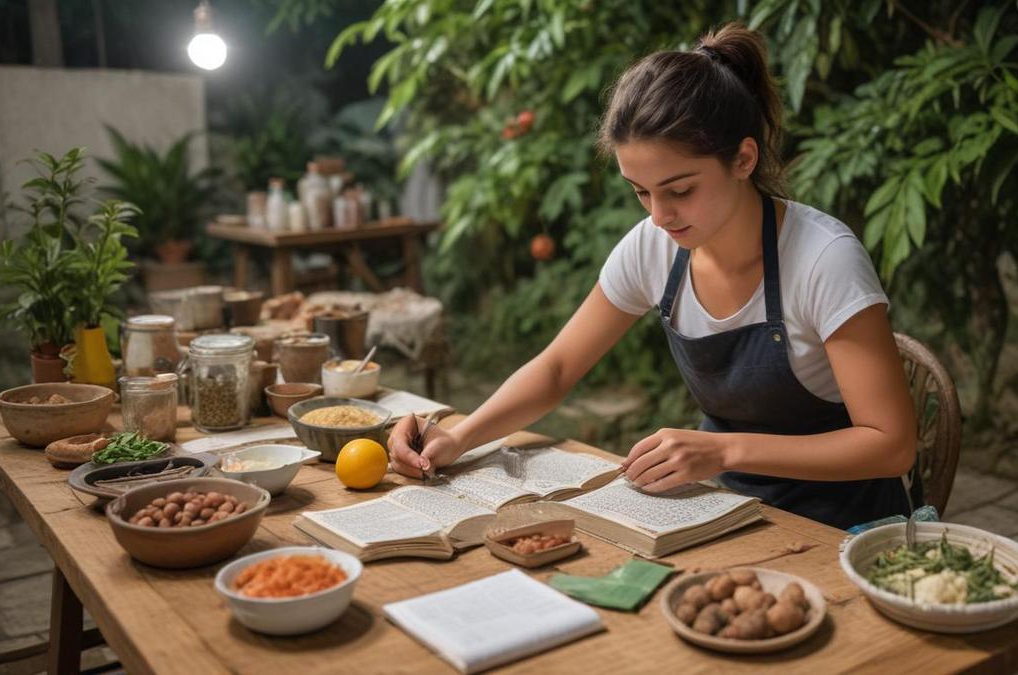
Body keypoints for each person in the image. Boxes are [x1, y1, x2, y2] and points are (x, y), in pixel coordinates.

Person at [390, 22, 918, 530]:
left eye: (680, 189)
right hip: (726, 511)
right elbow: (556, 369)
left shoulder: (823, 259)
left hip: (847, 527)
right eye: (640, 191)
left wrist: (724, 450)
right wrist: (460, 438)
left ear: (743, 159)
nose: (659, 216)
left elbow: (891, 443)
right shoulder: (655, 247)